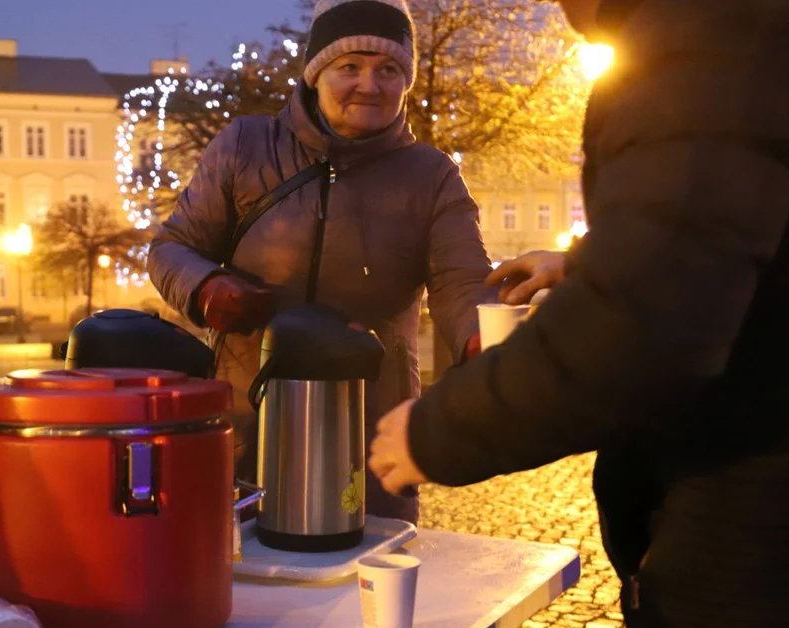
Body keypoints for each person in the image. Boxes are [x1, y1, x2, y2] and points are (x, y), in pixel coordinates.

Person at [369, 0, 789, 628]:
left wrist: (435, 430)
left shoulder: (710, 25)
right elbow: (749, 222)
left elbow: (649, 316)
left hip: (771, 559)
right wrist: (589, 260)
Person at [148, 0, 561, 523]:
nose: (370, 84)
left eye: (389, 70)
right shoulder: (246, 147)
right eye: (350, 66)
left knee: (364, 575)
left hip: (371, 433)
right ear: (316, 73)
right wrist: (206, 287)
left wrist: (480, 337)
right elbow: (170, 247)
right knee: (240, 575)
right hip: (246, 421)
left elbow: (461, 280)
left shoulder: (431, 175)